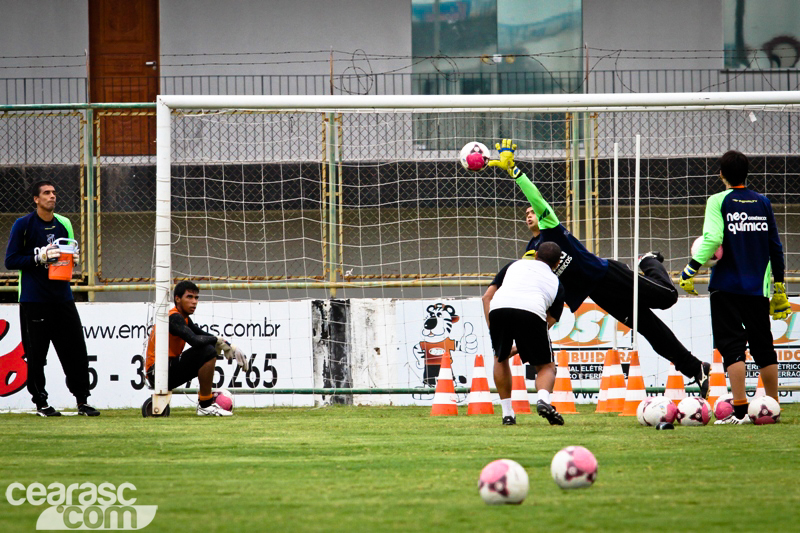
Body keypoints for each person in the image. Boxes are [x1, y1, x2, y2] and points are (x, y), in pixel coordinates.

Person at [488, 139, 712, 398]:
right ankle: (697, 369)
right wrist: (528, 337)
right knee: (650, 330)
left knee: (668, 297)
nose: (529, 215)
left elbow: (536, 198)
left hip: (608, 275)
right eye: (525, 214)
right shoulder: (532, 252)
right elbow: (545, 299)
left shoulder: (551, 228)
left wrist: (515, 172)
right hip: (600, 294)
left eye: (532, 212)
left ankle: (647, 260)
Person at [679, 150, 789, 425]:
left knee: (732, 347)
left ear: (721, 175)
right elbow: (775, 246)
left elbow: (713, 237)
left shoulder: (718, 200)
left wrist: (691, 268)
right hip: (758, 287)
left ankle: (739, 411)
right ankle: (772, 407)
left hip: (726, 286)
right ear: (747, 173)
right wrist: (779, 285)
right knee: (764, 345)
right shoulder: (763, 202)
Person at [4, 181, 99, 416]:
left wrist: (72, 259)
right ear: (36, 199)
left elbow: (69, 255)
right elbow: (11, 260)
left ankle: (82, 401)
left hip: (62, 297)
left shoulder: (64, 223)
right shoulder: (23, 225)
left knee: (76, 350)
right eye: (46, 193)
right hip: (34, 299)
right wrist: (39, 257)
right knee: (37, 355)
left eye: (54, 192)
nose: (52, 196)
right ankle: (41, 403)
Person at [482, 242, 566, 426]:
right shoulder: (557, 283)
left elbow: (486, 296)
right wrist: (523, 346)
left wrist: (493, 331)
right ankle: (543, 399)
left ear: (535, 255)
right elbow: (549, 320)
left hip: (499, 308)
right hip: (532, 310)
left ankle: (507, 414)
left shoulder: (514, 265)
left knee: (500, 357)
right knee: (546, 366)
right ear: (558, 263)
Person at [145, 280, 250, 416]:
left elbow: (203, 335)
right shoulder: (174, 317)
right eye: (189, 297)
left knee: (209, 347)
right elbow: (195, 340)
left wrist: (230, 346)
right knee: (207, 351)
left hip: (166, 369)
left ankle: (206, 403)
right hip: (157, 372)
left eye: (196, 298)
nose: (194, 301)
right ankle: (205, 405)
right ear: (177, 299)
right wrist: (218, 342)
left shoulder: (184, 319)